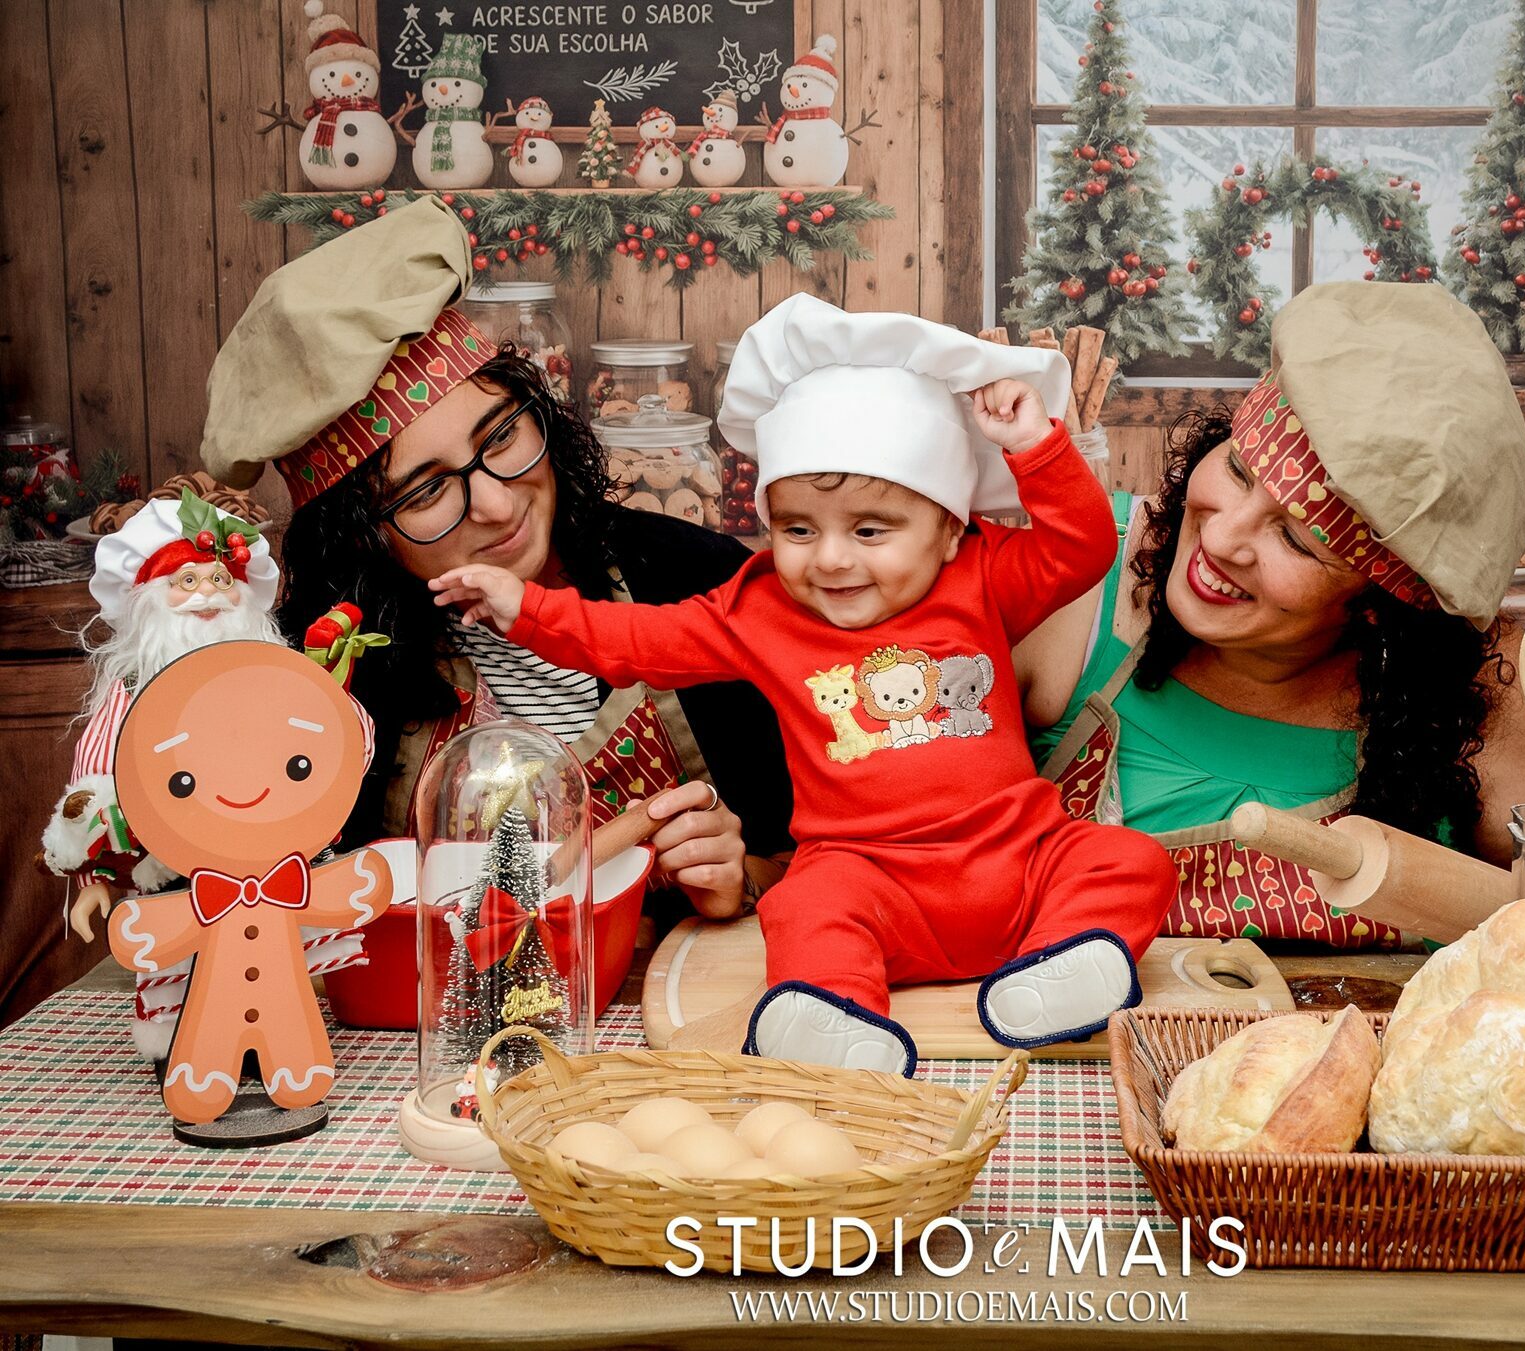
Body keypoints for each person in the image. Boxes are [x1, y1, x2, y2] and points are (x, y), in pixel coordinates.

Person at [431, 296, 1174, 1077]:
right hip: (871, 887)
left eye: (870, 529)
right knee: (802, 903)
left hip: (1020, 865)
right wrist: (526, 608)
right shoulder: (761, 611)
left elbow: (1084, 546)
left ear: (950, 527)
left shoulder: (983, 577)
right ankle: (832, 1012)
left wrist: (1037, 449)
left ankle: (1063, 966)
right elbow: (633, 640)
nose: (831, 559)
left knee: (1131, 862)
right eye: (797, 528)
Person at [195, 197, 794, 927]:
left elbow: (822, 855)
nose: (498, 504)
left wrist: (742, 878)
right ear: (359, 538)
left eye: (501, 437)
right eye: (425, 491)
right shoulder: (328, 683)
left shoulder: (698, 579)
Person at [1022, 282, 1525, 947]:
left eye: (1294, 539)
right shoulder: (1073, 572)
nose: (1221, 537)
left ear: (1381, 605)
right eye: (1238, 471)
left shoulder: (1484, 705)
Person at [43, 492, 374, 1060]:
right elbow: (90, 789)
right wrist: (89, 878)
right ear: (150, 600)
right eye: (187, 581)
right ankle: (180, 1048)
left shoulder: (274, 680)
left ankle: (273, 1045)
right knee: (176, 967)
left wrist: (330, 701)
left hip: (267, 858)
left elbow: (343, 743)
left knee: (274, 963)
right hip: (169, 865)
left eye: (220, 579)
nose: (207, 594)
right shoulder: (131, 697)